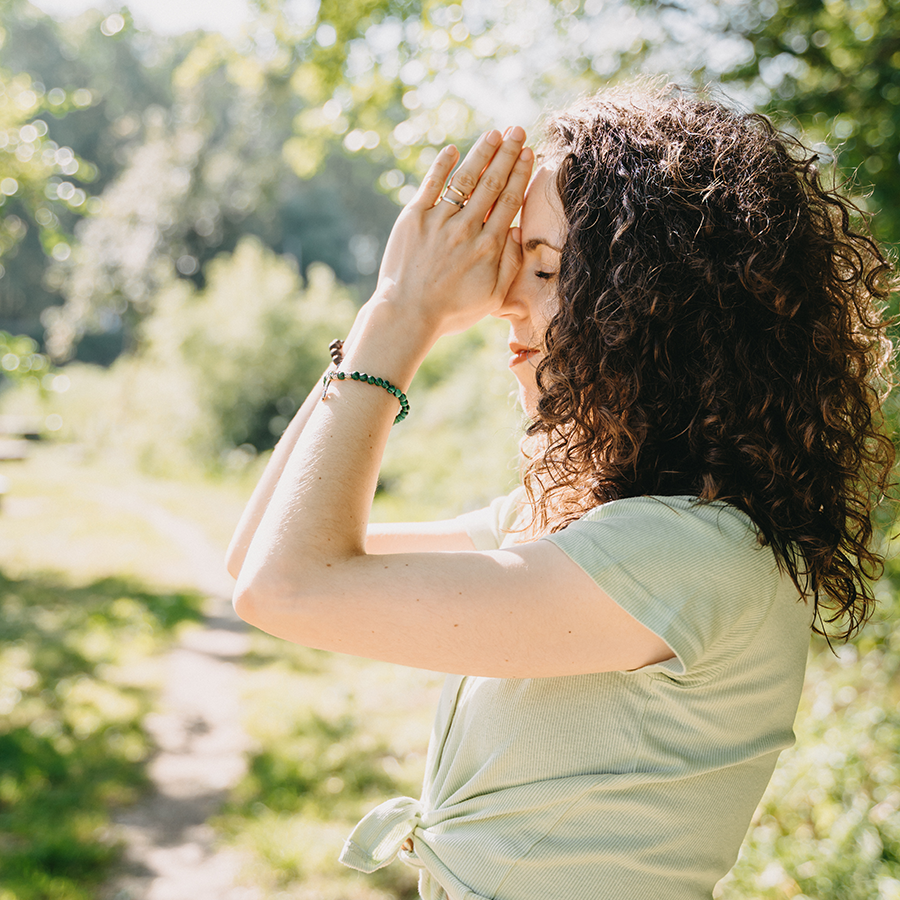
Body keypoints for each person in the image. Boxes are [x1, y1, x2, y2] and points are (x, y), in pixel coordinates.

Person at [226, 83, 895, 900]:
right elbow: (258, 554)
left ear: (656, 307)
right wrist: (384, 319)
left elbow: (286, 586)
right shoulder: (582, 526)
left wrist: (405, 313)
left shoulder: (689, 555)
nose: (508, 297)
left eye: (543, 268)